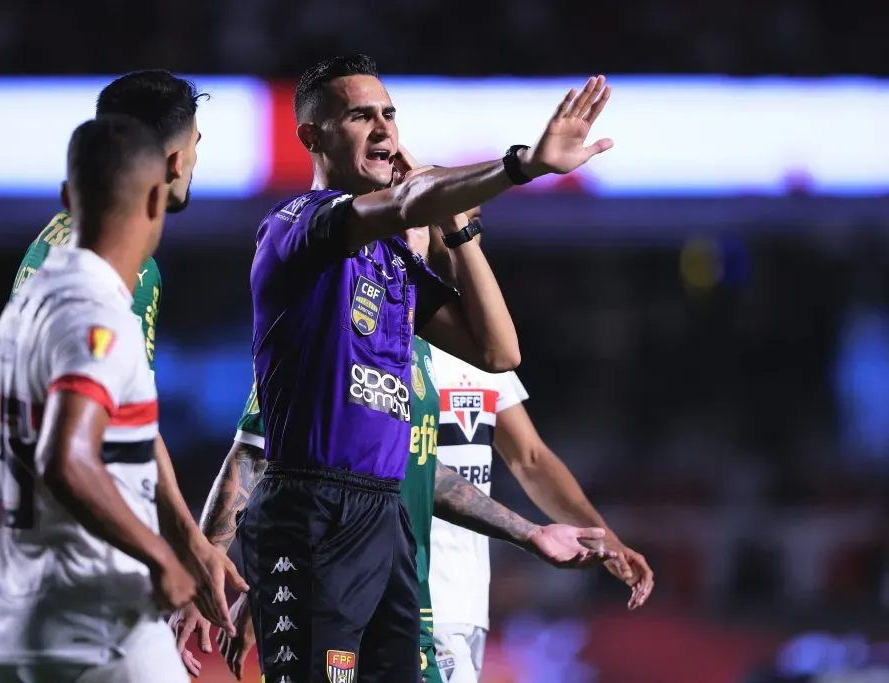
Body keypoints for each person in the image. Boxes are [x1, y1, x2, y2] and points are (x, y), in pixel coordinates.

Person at [239, 52, 613, 683]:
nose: (385, 129)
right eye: (362, 116)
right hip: (311, 512)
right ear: (313, 136)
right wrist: (523, 166)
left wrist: (460, 228)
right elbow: (407, 200)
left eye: (390, 113)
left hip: (386, 518)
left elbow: (498, 352)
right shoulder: (296, 225)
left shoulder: (391, 263)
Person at [0, 69, 246, 638]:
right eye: (194, 143)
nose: (196, 158)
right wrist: (170, 552)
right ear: (172, 160)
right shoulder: (116, 274)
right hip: (88, 599)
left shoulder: (54, 246)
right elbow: (74, 453)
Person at [186, 330, 613, 683]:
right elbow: (250, 457)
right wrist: (207, 571)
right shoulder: (315, 328)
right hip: (324, 598)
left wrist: (531, 533)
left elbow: (423, 467)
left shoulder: (422, 352)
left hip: (407, 601)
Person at [0, 115, 195, 683]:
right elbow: (66, 458)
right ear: (156, 198)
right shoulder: (100, 312)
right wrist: (161, 557)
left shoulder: (27, 307)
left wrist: (45, 536)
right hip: (98, 624)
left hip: (11, 630)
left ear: (68, 197)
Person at [427, 260, 655, 683]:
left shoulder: (481, 350)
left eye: (472, 223)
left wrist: (604, 537)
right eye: (456, 219)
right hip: (394, 590)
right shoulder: (377, 338)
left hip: (463, 599)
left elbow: (529, 458)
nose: (466, 235)